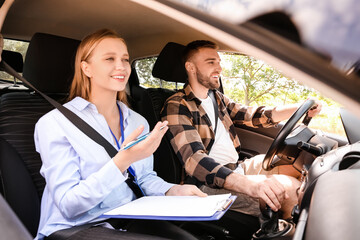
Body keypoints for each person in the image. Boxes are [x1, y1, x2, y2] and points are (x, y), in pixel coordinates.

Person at [34, 29, 207, 240]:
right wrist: (123, 160)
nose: (121, 67)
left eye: (125, 59)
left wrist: (174, 190)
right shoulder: (54, 123)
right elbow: (69, 205)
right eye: (109, 58)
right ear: (86, 68)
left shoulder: (137, 121)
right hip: (75, 227)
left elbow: (143, 178)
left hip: (128, 217)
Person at [160, 40, 322, 220]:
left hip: (237, 168)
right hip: (207, 185)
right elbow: (194, 160)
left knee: (297, 169)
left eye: (219, 62)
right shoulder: (176, 105)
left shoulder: (217, 98)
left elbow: (252, 115)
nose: (219, 68)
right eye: (211, 62)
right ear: (190, 67)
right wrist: (248, 185)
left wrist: (300, 107)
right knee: (290, 191)